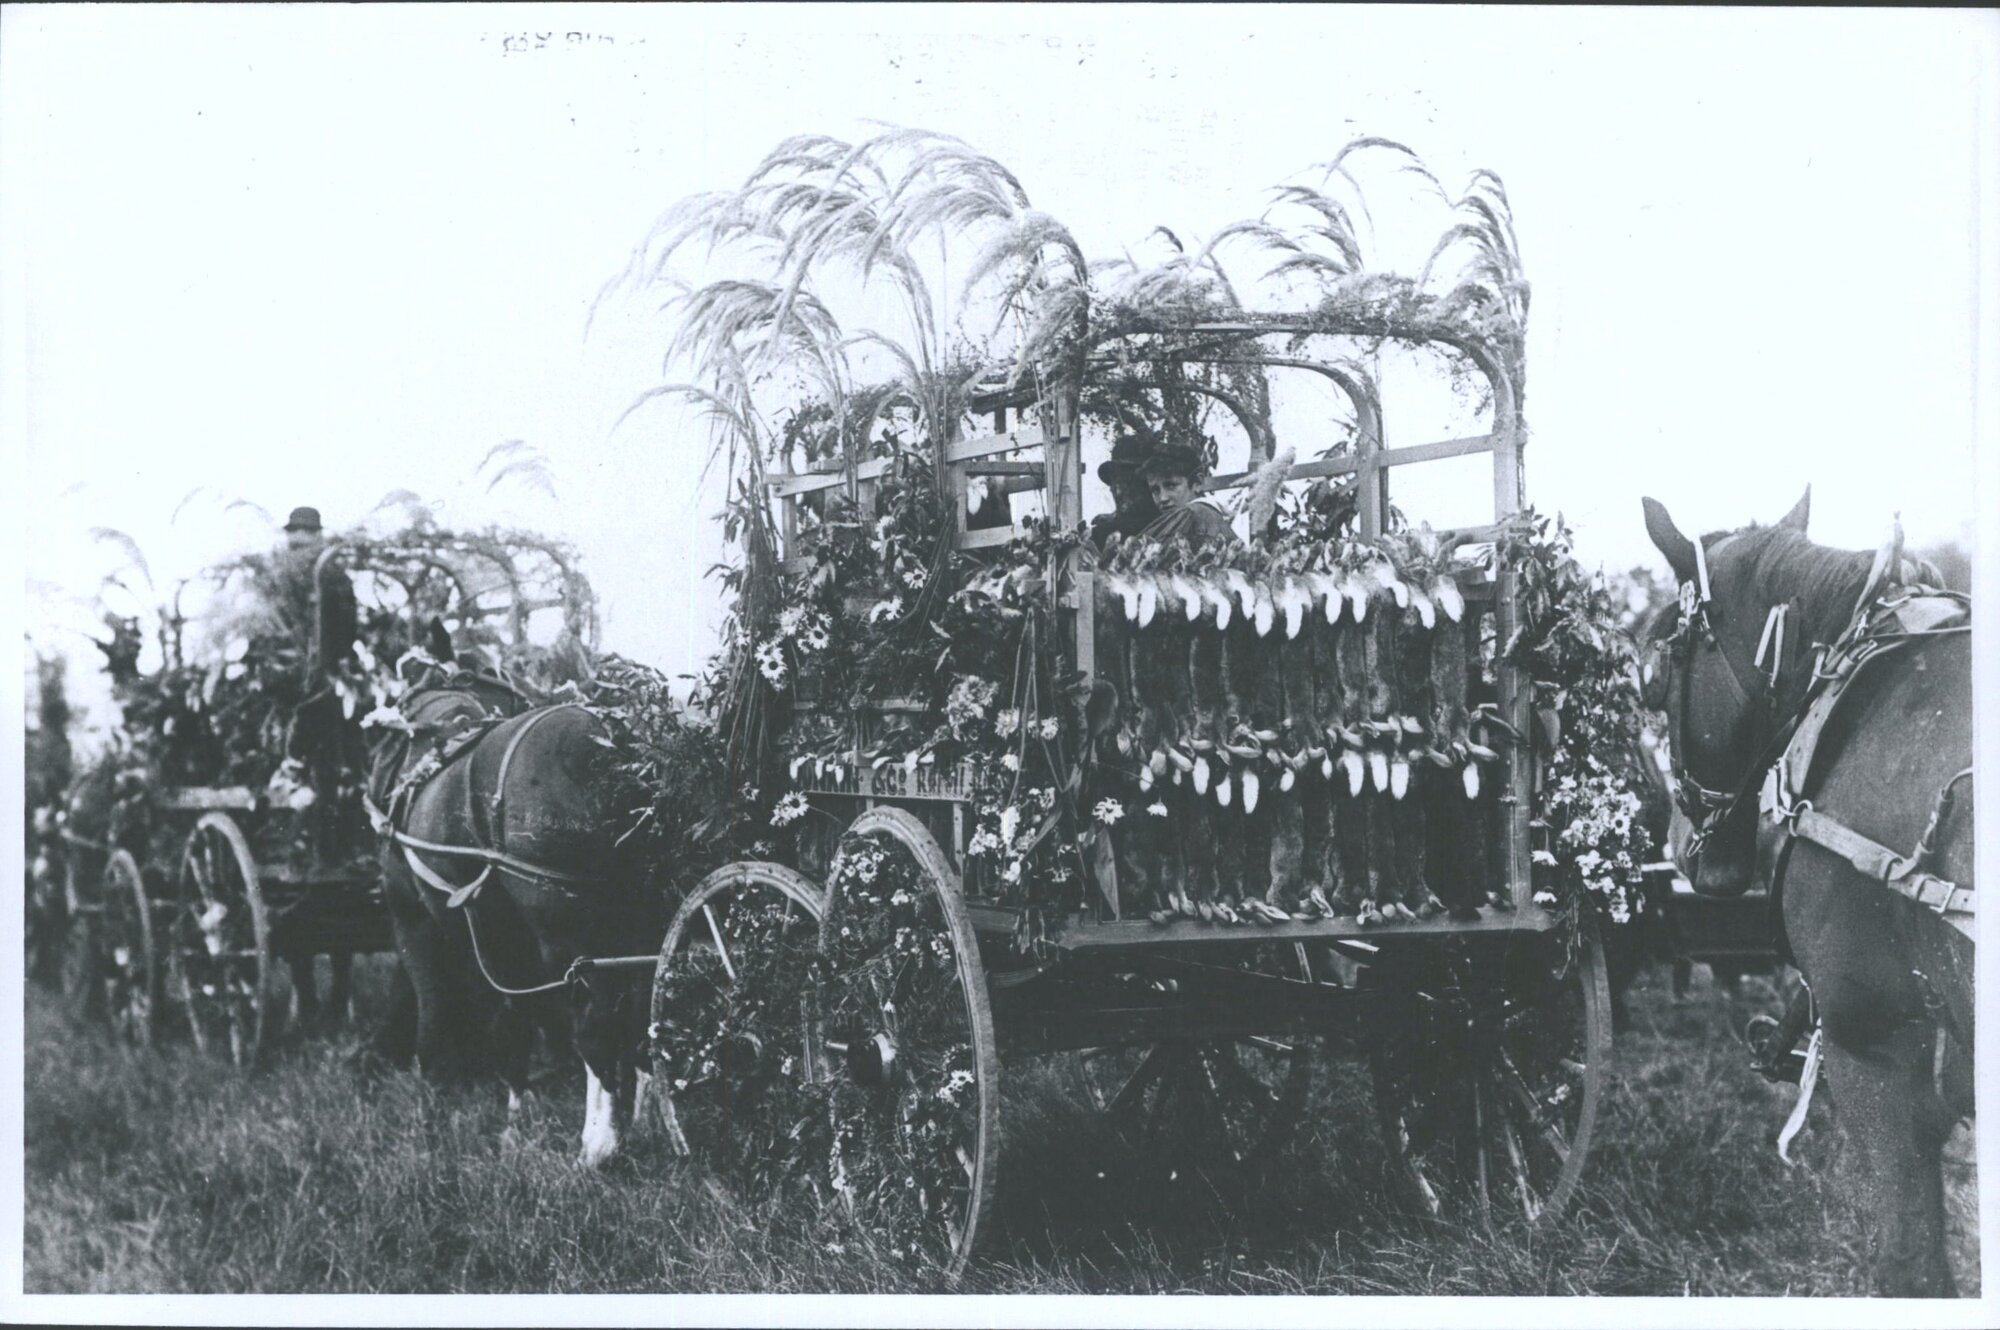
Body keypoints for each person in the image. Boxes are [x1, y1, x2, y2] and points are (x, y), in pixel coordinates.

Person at [1138, 442, 1237, 546]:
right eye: (1155, 490)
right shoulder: (1213, 516)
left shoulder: (1193, 514)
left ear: (1198, 483)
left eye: (1171, 486)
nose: (1163, 498)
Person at [1087, 431, 1162, 546]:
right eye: (1114, 481)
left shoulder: (1168, 524)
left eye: (1128, 481)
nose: (1117, 491)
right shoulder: (1102, 531)